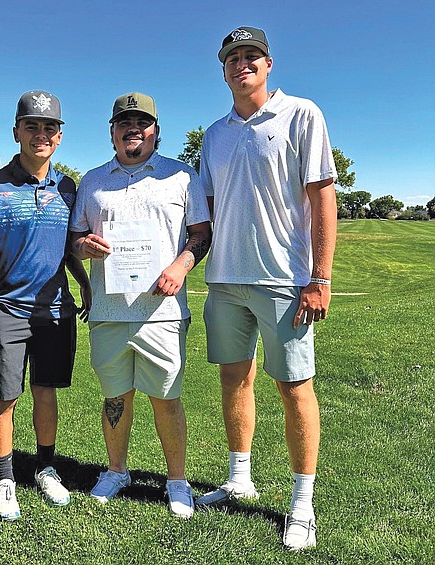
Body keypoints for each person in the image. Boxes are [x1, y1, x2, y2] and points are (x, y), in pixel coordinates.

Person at [196, 27, 337, 550]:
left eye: (251, 55)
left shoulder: (302, 114)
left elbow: (323, 196)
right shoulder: (214, 134)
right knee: (235, 379)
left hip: (286, 279)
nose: (241, 64)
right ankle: (239, 477)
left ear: (269, 63)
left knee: (294, 386)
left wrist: (319, 277)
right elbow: (204, 211)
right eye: (232, 58)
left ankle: (303, 502)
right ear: (223, 69)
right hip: (225, 281)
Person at [69, 92, 211, 519]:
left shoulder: (182, 177)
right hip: (109, 312)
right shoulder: (93, 180)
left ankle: (177, 480)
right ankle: (116, 471)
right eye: (124, 122)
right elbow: (74, 241)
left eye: (143, 122)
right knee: (115, 396)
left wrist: (181, 267)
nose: (134, 128)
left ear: (156, 131)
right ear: (112, 131)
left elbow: (201, 234)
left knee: (166, 397)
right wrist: (84, 246)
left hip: (161, 312)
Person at [0, 91, 91, 521]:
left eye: (49, 128)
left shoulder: (67, 187)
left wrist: (85, 286)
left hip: (56, 310)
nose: (41, 134)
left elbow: (68, 249)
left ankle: (45, 467)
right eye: (32, 126)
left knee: (46, 392)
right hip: (10, 309)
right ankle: (4, 478)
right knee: (5, 396)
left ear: (59, 136)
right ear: (17, 131)